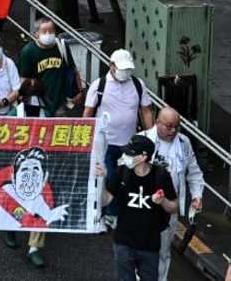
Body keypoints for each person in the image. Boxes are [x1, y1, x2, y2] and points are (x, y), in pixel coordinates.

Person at [15, 18, 75, 266]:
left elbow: (71, 71)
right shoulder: (23, 110)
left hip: (55, 116)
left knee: (43, 190)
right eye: (44, 31)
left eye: (52, 30)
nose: (49, 34)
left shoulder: (61, 48)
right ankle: (10, 227)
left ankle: (33, 246)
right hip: (23, 159)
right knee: (17, 193)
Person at [84, 48, 154, 226]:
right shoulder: (99, 85)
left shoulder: (138, 85)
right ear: (111, 66)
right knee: (107, 177)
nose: (125, 72)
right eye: (122, 68)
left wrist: (151, 135)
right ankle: (104, 212)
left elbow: (145, 110)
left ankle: (112, 213)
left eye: (128, 69)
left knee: (122, 179)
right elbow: (88, 113)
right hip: (104, 143)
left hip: (128, 144)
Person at [99, 134, 178, 281]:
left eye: (130, 153)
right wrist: (101, 180)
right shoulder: (121, 172)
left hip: (150, 244)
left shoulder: (161, 176)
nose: (125, 156)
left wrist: (163, 201)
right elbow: (105, 200)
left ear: (143, 156)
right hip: (123, 241)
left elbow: (173, 207)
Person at [140, 107, 204, 281]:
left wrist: (197, 195)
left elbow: (194, 172)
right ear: (157, 122)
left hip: (169, 208)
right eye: (169, 126)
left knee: (163, 253)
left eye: (177, 126)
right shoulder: (142, 140)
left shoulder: (183, 143)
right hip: (142, 208)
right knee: (141, 252)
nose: (173, 131)